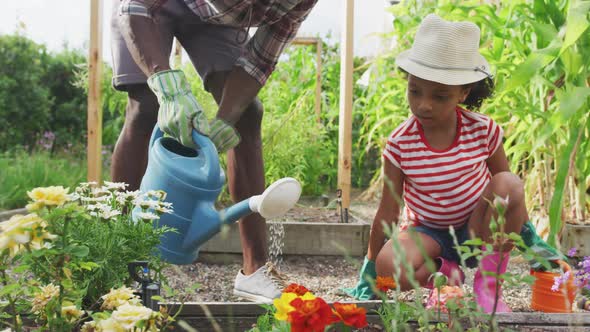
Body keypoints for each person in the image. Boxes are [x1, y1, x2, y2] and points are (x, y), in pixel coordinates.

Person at [109, 0, 318, 303]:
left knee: (246, 116)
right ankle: (121, 263)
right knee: (146, 107)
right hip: (147, 9)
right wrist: (167, 86)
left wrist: (225, 120)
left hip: (214, 19)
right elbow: (135, 7)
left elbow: (259, 62)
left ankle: (254, 271)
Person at [345, 14, 525, 313]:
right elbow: (388, 211)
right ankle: (443, 275)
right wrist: (370, 267)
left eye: (440, 96)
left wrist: (528, 232)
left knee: (510, 182)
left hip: (476, 228)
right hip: (427, 233)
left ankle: (488, 286)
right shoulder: (401, 143)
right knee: (388, 267)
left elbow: (507, 187)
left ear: (463, 93)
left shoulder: (483, 130)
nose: (423, 104)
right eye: (415, 91)